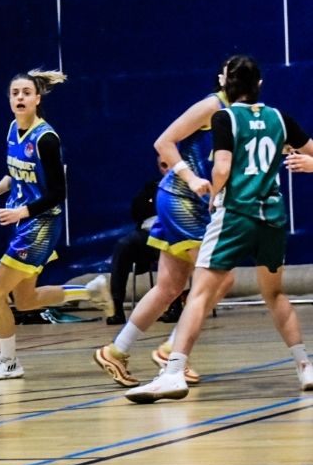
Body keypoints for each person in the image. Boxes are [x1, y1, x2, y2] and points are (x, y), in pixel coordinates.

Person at [125, 55, 313, 403]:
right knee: (274, 294)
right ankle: (305, 366)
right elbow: (311, 152)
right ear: (259, 85)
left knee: (199, 293)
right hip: (272, 217)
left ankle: (173, 372)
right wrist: (309, 164)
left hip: (236, 214)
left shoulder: (224, 117)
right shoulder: (279, 118)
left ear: (226, 85)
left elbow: (223, 165)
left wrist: (214, 194)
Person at [93, 58, 243, 388]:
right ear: (222, 78)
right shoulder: (211, 105)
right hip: (182, 198)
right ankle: (171, 349)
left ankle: (116, 351)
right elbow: (163, 142)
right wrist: (190, 177)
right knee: (222, 276)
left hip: (194, 203)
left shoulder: (243, 116)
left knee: (169, 287)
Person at [0, 69, 113, 380]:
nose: (19, 97)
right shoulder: (12, 129)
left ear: (37, 98)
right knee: (25, 300)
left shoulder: (45, 138)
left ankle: (9, 363)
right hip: (25, 223)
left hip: (40, 224)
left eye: (25, 93)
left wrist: (22, 213)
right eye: (14, 93)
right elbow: (16, 175)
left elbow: (59, 193)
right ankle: (90, 291)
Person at [106, 160, 167, 325]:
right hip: (146, 234)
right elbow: (137, 210)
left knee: (169, 248)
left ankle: (173, 306)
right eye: (163, 165)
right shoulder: (152, 186)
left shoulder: (187, 185)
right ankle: (116, 308)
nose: (166, 168)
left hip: (171, 235)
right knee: (123, 245)